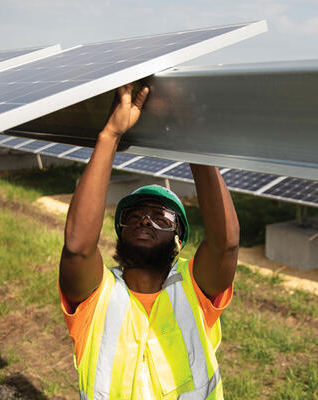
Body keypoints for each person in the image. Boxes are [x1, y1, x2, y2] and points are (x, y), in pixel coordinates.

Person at [59, 83, 240, 400]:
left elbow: (225, 244)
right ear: (121, 232)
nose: (145, 219)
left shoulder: (194, 289)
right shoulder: (96, 296)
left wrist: (193, 141)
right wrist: (110, 136)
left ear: (179, 242)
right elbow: (77, 247)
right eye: (134, 215)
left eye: (162, 218)